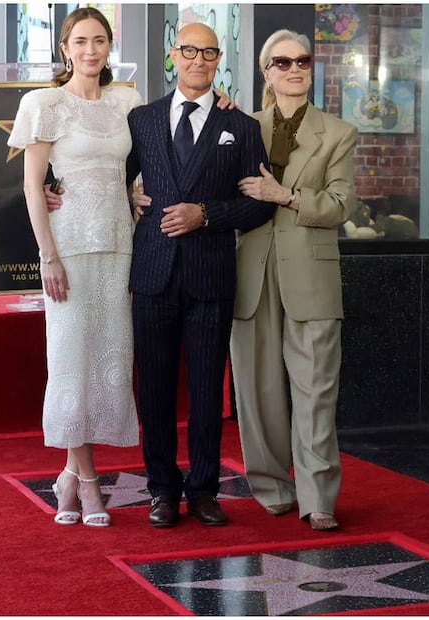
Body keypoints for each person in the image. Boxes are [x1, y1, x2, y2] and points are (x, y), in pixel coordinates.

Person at [126, 23, 274, 528]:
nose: (198, 60)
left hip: (211, 275)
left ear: (218, 59)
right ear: (173, 55)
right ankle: (162, 490)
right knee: (155, 390)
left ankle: (205, 490)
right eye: (189, 50)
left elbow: (260, 205)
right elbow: (113, 178)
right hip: (153, 273)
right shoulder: (142, 119)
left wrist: (206, 214)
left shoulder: (242, 126)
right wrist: (126, 197)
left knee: (208, 389)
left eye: (208, 52)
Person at [8, 7, 141, 528]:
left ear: (109, 47)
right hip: (68, 249)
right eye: (80, 41)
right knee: (70, 362)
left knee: (109, 361)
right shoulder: (43, 104)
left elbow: (143, 161)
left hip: (119, 244)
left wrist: (136, 194)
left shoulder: (126, 101)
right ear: (65, 48)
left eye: (99, 40)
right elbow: (31, 185)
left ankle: (68, 475)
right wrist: (48, 257)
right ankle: (87, 482)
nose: (90, 50)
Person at [231, 29, 357, 531]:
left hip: (311, 274)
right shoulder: (242, 127)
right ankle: (271, 486)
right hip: (251, 270)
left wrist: (284, 195)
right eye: (282, 63)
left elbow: (342, 205)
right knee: (257, 387)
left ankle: (318, 496)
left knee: (317, 389)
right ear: (267, 73)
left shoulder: (339, 133)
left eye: (302, 61)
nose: (294, 69)